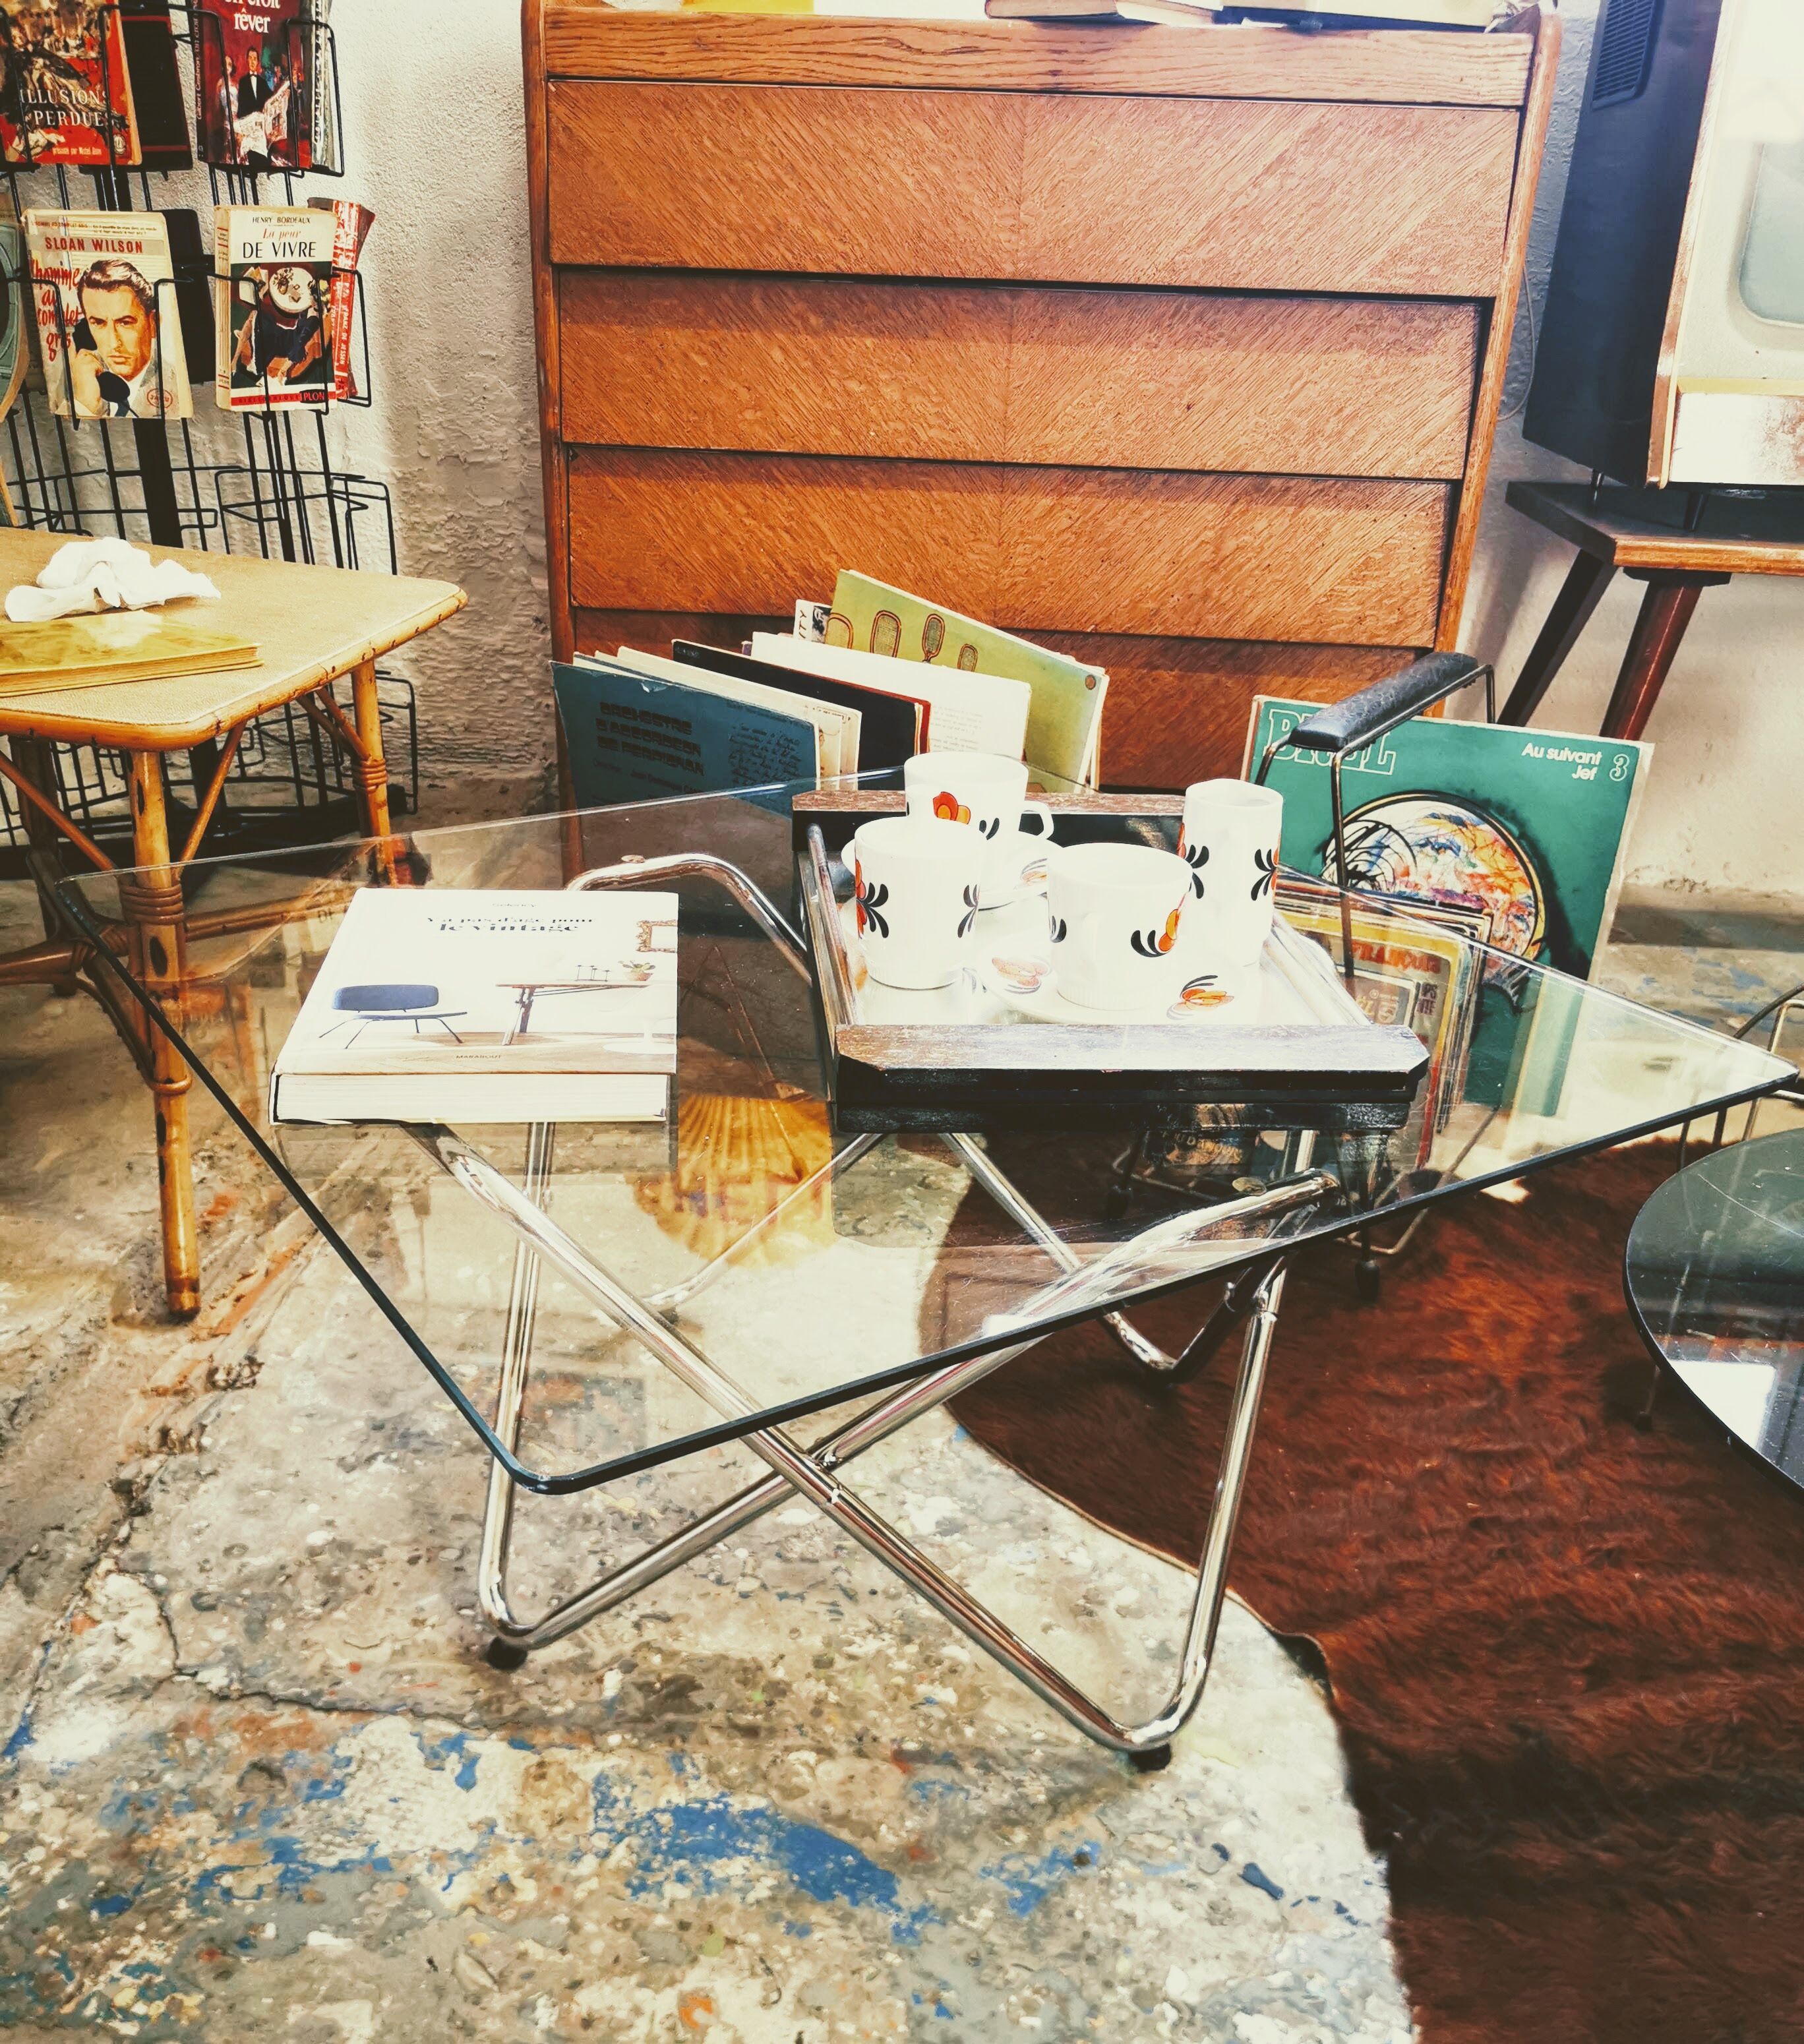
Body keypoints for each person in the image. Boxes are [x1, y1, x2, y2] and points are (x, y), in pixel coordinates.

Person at [67, 258, 173, 419]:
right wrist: (86, 404)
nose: (113, 342)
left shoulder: (173, 383)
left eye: (125, 323)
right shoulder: (83, 382)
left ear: (153, 324)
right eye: (99, 323)